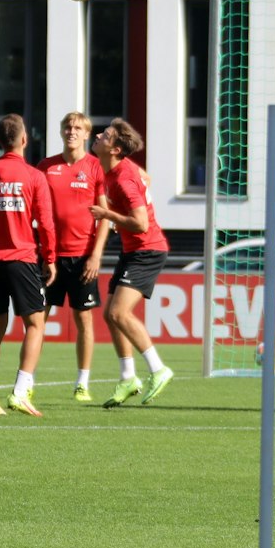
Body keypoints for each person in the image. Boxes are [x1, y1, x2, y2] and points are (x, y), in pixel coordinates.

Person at [0, 114, 56, 418]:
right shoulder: (33, 176)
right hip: (22, 258)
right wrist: (50, 258)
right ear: (24, 139)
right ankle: (21, 391)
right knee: (35, 325)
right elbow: (46, 223)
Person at [88, 120, 174, 408]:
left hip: (147, 250)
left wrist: (108, 215)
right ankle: (128, 377)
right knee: (110, 315)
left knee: (119, 313)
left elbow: (141, 223)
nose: (98, 135)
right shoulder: (117, 169)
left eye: (105, 135)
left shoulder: (123, 179)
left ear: (115, 149)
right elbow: (145, 178)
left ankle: (158, 369)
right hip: (132, 249)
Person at [39, 112, 109, 401]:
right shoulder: (46, 167)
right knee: (37, 319)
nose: (72, 131)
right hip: (50, 258)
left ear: (87, 134)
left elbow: (104, 216)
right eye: (68, 127)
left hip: (82, 258)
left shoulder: (95, 167)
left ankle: (82, 383)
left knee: (84, 320)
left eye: (78, 128)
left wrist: (96, 256)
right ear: (61, 131)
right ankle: (25, 383)